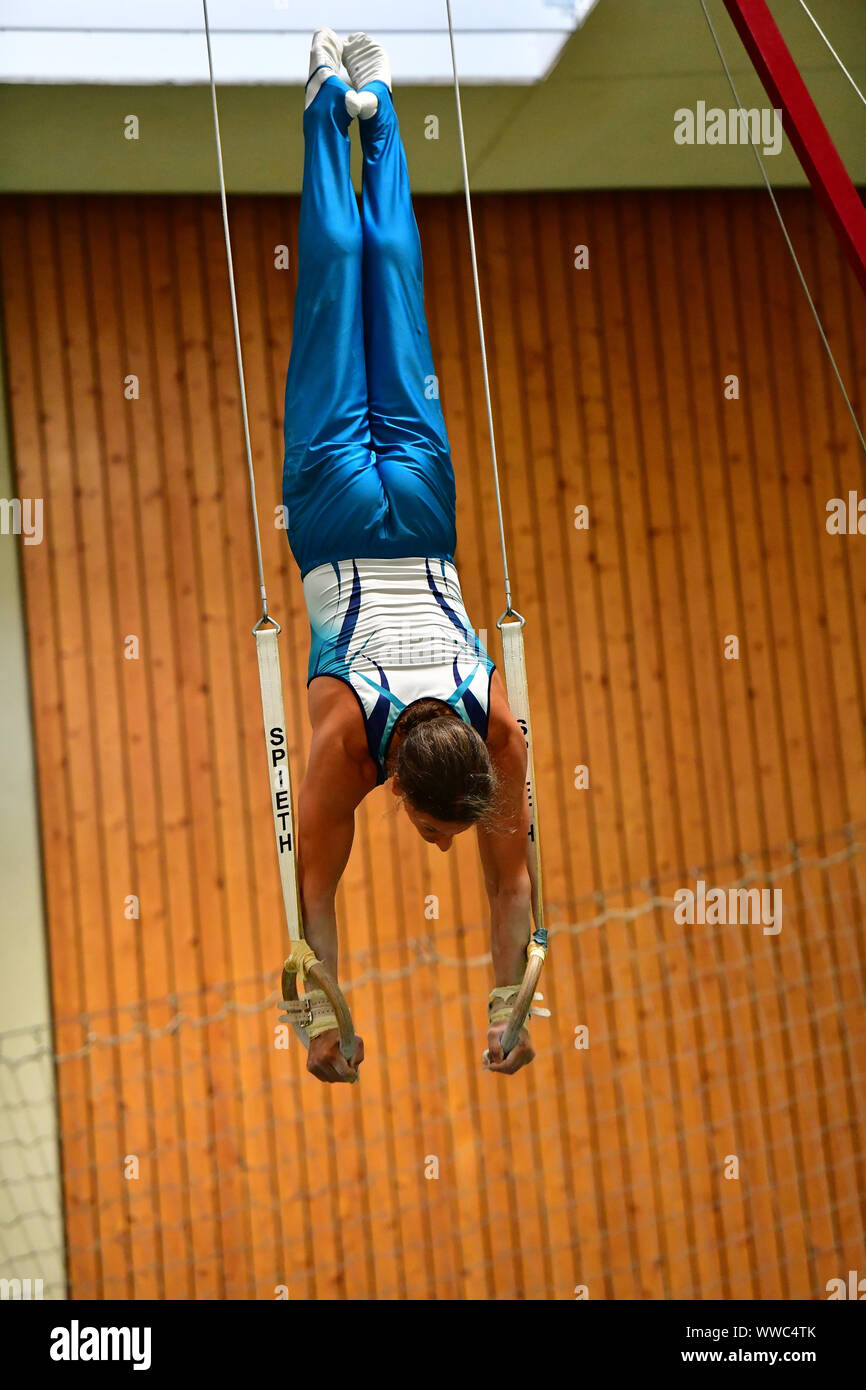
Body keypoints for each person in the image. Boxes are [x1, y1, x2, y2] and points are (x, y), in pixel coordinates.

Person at [284, 30, 538, 1083]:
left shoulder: (498, 728)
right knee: (341, 292)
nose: (441, 844)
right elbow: (312, 892)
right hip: (344, 512)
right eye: (439, 832)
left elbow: (508, 875)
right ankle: (328, 109)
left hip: (420, 511)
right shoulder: (348, 744)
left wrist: (506, 1014)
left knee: (387, 291)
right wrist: (322, 1022)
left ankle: (373, 107)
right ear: (398, 780)